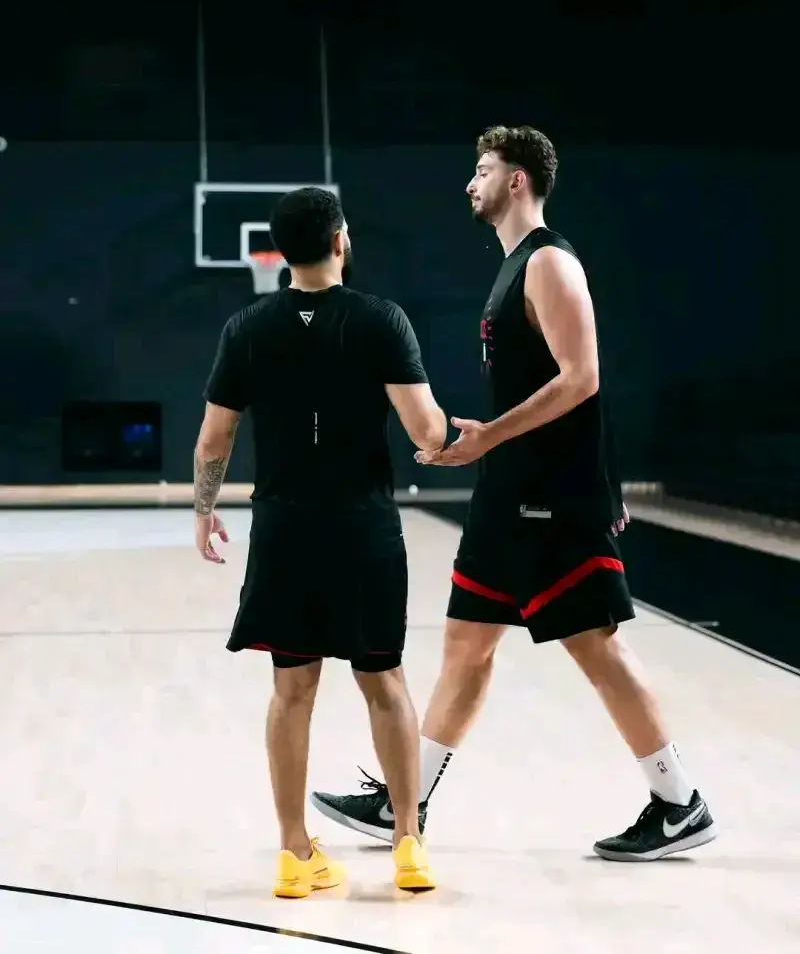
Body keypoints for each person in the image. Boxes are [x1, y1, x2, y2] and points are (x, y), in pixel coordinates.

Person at [310, 127, 717, 862]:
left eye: (484, 169)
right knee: (467, 645)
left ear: (518, 180)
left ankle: (678, 800)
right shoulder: (512, 269)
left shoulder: (550, 262)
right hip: (511, 492)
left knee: (595, 644)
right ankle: (406, 799)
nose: (471, 182)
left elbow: (582, 378)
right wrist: (478, 443)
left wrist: (494, 439)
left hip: (551, 495)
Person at [193, 186, 446, 896]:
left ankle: (293, 853)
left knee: (291, 690)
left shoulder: (245, 328)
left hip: (285, 531)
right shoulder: (381, 320)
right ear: (341, 240)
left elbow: (214, 438)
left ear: (279, 251)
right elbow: (426, 429)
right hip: (364, 528)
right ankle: (408, 844)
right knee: (385, 681)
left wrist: (203, 509)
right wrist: (447, 437)